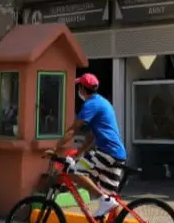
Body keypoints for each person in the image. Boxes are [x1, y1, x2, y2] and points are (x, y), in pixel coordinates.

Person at [52, 73, 127, 220]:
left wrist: (55, 148)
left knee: (72, 170)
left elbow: (74, 129)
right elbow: (91, 136)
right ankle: (105, 201)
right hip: (116, 154)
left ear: (82, 89)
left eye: (79, 87)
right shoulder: (102, 102)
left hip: (107, 153)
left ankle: (102, 199)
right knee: (111, 200)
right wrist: (79, 152)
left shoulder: (90, 104)